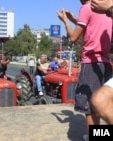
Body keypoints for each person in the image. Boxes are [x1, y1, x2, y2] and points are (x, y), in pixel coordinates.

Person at [57, 0, 112, 140]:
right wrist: (75, 19)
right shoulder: (105, 8)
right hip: (105, 63)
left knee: (89, 108)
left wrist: (66, 22)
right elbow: (91, 26)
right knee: (101, 105)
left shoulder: (86, 8)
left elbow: (74, 37)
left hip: (91, 63)